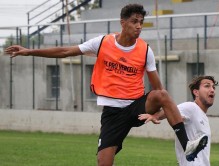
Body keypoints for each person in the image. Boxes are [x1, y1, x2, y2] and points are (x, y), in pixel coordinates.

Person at [5, 3, 208, 166]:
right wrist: (29, 51)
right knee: (104, 162)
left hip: (135, 105)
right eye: (134, 21)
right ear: (123, 23)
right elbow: (65, 51)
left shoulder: (146, 51)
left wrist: (155, 114)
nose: (138, 26)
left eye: (141, 22)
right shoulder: (102, 43)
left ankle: (188, 146)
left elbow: (158, 90)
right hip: (112, 113)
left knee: (162, 94)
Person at [139, 75, 218, 165]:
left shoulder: (203, 116)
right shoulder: (191, 107)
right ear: (196, 92)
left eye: (213, 87)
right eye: (207, 86)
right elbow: (172, 109)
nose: (212, 90)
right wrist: (156, 116)